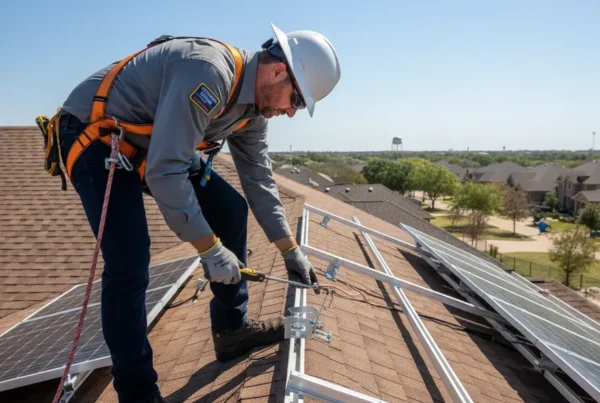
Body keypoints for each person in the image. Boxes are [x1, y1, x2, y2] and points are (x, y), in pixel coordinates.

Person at [52, 23, 341, 403]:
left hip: (154, 142)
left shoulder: (253, 112)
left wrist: (290, 250)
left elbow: (258, 178)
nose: (290, 112)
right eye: (297, 101)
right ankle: (138, 393)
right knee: (129, 261)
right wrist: (209, 248)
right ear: (278, 71)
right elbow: (165, 169)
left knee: (232, 211)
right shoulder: (209, 73)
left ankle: (231, 329)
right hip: (96, 134)